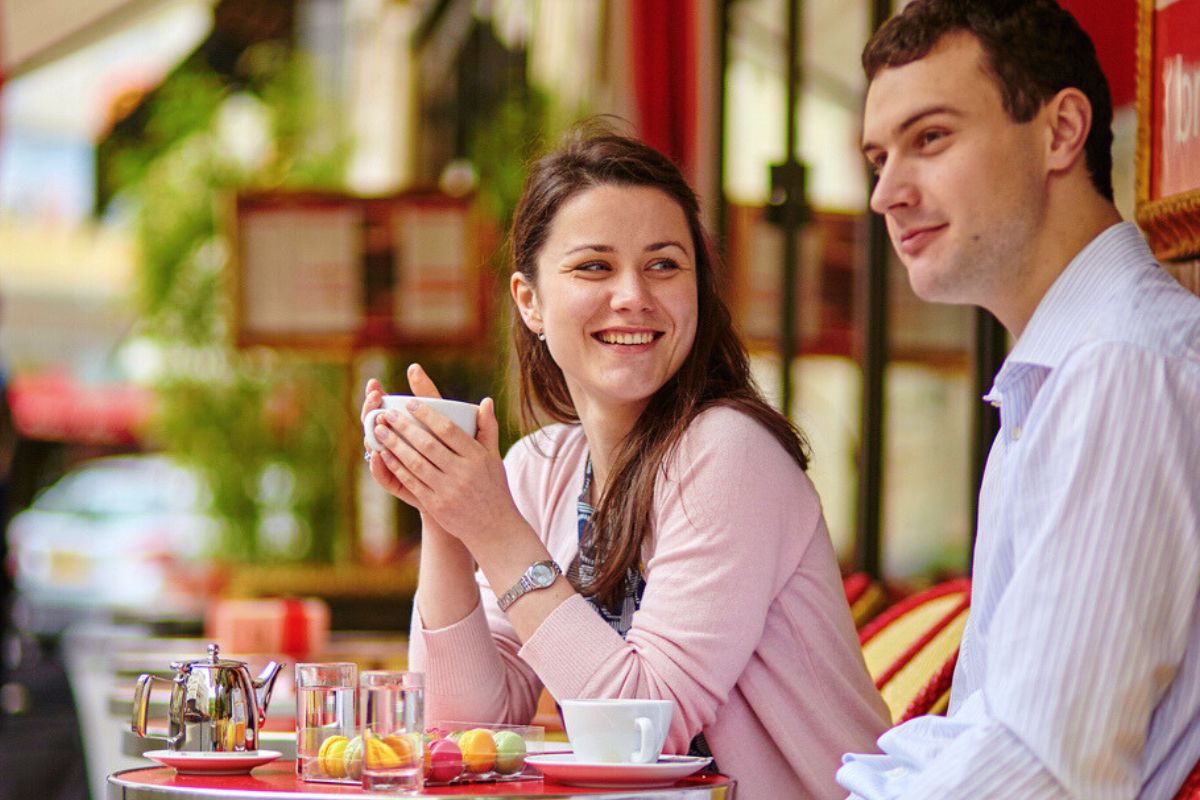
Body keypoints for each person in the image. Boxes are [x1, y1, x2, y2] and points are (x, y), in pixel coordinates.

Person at [362, 128, 890, 798]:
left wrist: (493, 528)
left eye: (665, 265)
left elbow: (645, 730)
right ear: (530, 302)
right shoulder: (541, 468)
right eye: (594, 267)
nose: (634, 295)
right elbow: (465, 734)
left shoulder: (727, 454)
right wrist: (445, 513)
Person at [839, 1, 1200, 798]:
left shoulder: (1121, 366)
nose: (886, 193)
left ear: (1061, 132)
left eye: (929, 139)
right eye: (877, 158)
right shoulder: (1061, 372)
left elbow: (1043, 768)